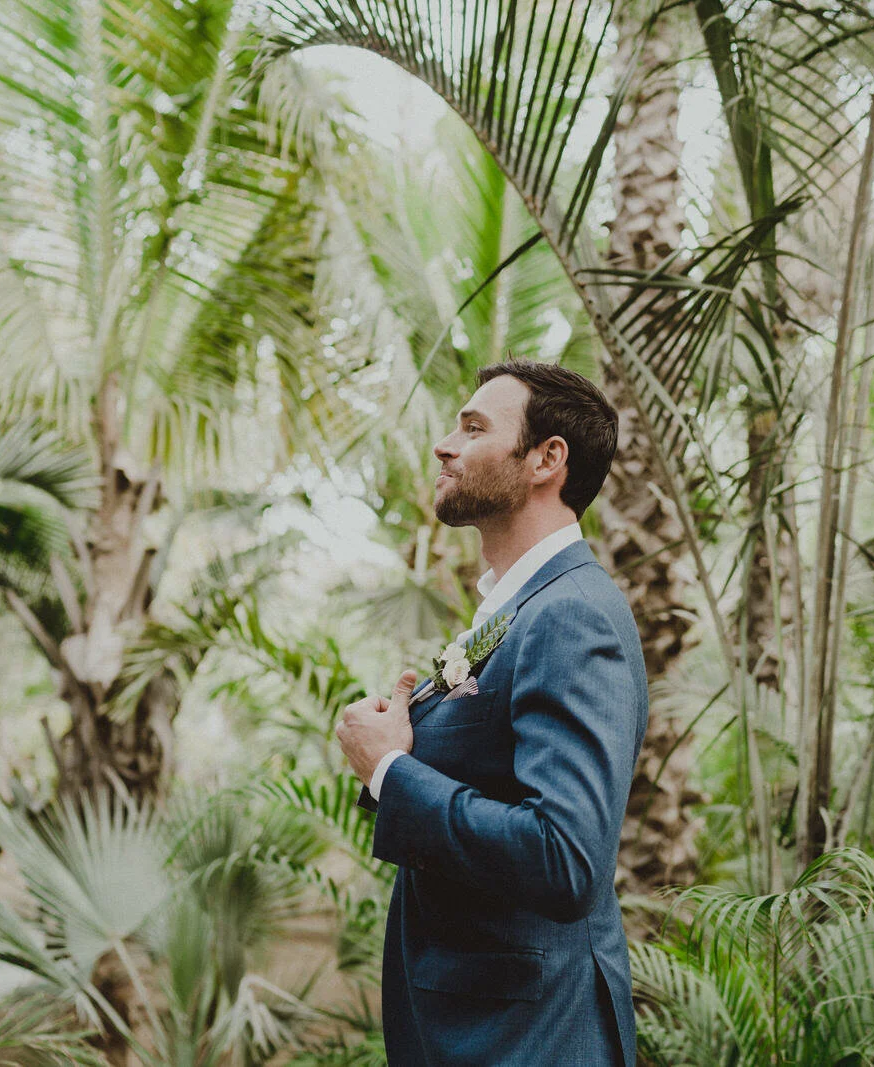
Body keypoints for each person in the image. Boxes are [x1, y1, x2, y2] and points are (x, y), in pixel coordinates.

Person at [335, 358, 647, 1066]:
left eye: (474, 428)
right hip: (478, 1028)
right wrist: (400, 747)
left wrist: (389, 770)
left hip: (531, 1037)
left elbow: (565, 857)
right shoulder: (516, 608)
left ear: (546, 459)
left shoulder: (571, 615)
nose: (444, 445)